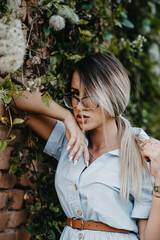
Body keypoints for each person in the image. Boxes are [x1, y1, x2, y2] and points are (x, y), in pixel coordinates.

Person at [13, 53, 160, 240]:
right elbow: (14, 99)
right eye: (75, 95)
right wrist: (66, 117)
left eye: (89, 95)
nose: (79, 106)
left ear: (112, 94)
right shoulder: (70, 139)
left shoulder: (142, 153)